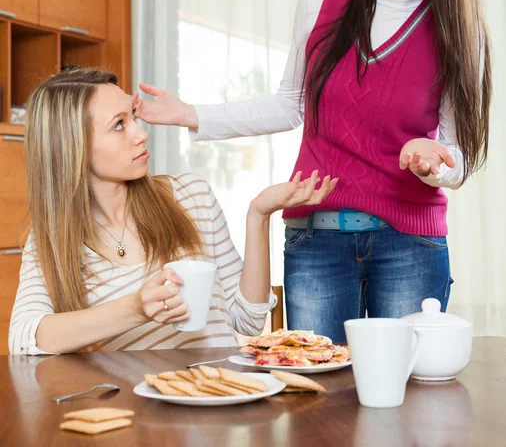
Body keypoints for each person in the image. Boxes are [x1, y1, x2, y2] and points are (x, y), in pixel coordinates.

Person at [132, 0, 491, 342]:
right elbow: (289, 103)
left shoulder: (457, 28)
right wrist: (189, 114)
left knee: (408, 397)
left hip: (410, 243)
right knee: (317, 394)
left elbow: (460, 156)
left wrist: (436, 163)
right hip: (316, 238)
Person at [8, 68, 337, 355]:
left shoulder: (191, 195)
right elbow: (24, 338)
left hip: (219, 407)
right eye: (119, 125)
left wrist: (258, 215)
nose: (141, 133)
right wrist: (136, 308)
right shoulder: (51, 241)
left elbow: (248, 320)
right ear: (72, 147)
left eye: (132, 117)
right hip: (139, 418)